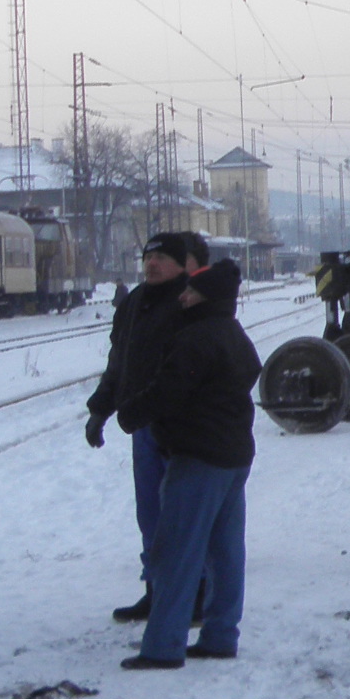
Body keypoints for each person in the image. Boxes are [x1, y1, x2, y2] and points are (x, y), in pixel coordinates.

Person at [117, 253, 261, 670]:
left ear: (207, 297)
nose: (183, 297)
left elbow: (168, 390)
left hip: (198, 457)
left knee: (176, 553)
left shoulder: (196, 338)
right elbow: (250, 371)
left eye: (191, 291)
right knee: (225, 552)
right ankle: (220, 636)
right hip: (234, 456)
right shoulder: (232, 333)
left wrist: (132, 413)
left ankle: (163, 646)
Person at [84, 231, 207, 621]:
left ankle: (195, 594)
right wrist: (100, 409)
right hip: (144, 427)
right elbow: (119, 361)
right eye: (147, 258)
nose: (151, 264)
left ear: (180, 263)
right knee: (151, 514)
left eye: (161, 258)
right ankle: (157, 590)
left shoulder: (194, 300)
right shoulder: (135, 303)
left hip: (185, 427)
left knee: (183, 514)